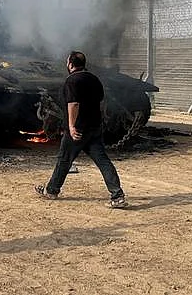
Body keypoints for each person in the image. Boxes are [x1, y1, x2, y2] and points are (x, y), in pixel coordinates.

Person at [34, 51, 128, 207]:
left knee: (64, 159)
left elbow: (74, 104)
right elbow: (101, 102)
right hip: (94, 128)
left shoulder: (72, 81)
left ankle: (51, 191)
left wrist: (71, 126)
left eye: (67, 62)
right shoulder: (94, 79)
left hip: (78, 130)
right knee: (103, 161)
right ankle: (117, 195)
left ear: (71, 64)